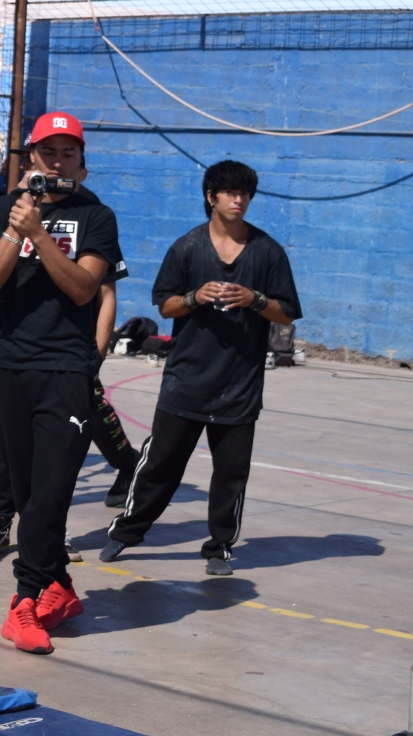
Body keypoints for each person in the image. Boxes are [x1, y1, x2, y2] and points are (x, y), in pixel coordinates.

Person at [103, 160, 301, 576]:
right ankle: (126, 531)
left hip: (240, 385)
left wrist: (255, 300)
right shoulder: (187, 247)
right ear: (211, 197)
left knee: (231, 474)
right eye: (230, 192)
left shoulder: (268, 252)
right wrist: (195, 297)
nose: (238, 200)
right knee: (160, 465)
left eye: (245, 193)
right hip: (186, 380)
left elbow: (286, 313)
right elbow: (165, 305)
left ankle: (219, 547)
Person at [0, 111, 121, 655]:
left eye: (68, 153)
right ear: (30, 156)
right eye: (48, 152)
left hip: (67, 369)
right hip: (12, 367)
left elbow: (84, 288)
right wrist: (19, 226)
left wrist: (40, 234)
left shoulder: (96, 215)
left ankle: (24, 601)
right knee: (28, 492)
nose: (57, 162)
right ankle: (58, 585)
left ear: (81, 163)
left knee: (53, 489)